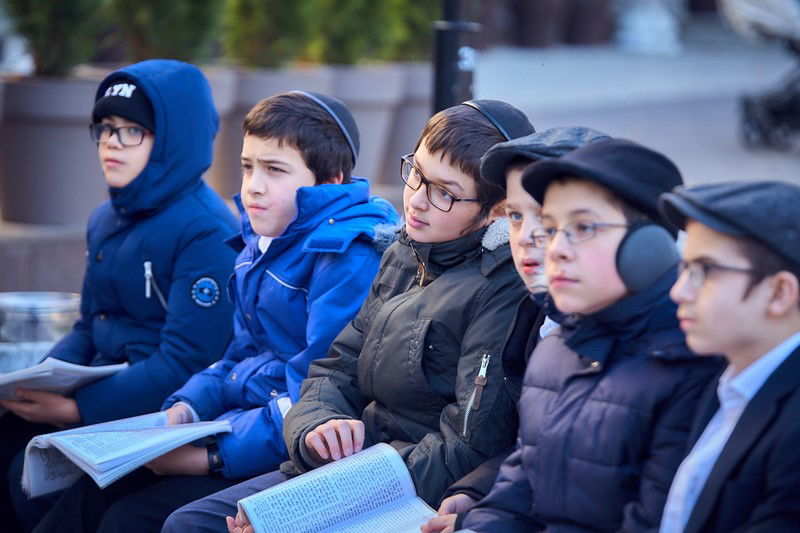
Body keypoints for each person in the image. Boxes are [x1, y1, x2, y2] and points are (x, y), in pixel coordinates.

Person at [28, 91, 399, 533]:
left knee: (131, 517)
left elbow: (317, 393)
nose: (253, 185)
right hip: (239, 427)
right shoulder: (261, 240)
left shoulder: (346, 259)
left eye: (275, 170)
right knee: (89, 492)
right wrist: (183, 410)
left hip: (288, 448)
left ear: (332, 180)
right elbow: (237, 358)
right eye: (247, 167)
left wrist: (211, 455)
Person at [161, 99, 536, 533]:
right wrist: (317, 428)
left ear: (495, 210)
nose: (416, 200)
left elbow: (467, 447)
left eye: (445, 193)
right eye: (416, 173)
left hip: (403, 492)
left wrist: (332, 494)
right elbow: (334, 367)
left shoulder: (502, 287)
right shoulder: (402, 251)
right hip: (349, 470)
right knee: (190, 524)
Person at [0, 59, 239, 533]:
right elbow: (90, 325)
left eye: (133, 131)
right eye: (106, 128)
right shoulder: (106, 218)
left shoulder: (207, 232)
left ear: (173, 139)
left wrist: (75, 410)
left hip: (156, 418)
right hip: (101, 396)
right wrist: (34, 385)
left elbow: (187, 361)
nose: (111, 142)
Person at [459, 138, 724, 532]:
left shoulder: (691, 365)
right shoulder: (555, 349)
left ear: (650, 246)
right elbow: (515, 495)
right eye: (553, 227)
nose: (555, 249)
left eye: (582, 227)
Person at [422, 126, 611, 533]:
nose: (526, 237)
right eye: (514, 216)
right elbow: (535, 453)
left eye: (547, 219)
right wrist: (475, 496)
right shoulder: (538, 315)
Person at [658, 181, 800, 532]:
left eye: (704, 271)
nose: (678, 291)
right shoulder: (729, 377)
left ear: (779, 292)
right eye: (684, 268)